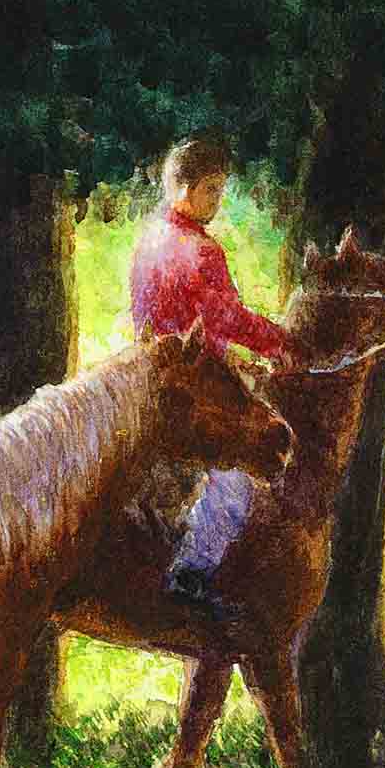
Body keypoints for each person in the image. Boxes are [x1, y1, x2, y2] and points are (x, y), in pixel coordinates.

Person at [126, 137, 296, 644]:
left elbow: (176, 319)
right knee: (237, 475)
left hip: (151, 372)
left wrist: (230, 354)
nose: (217, 201)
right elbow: (226, 318)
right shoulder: (202, 250)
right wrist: (278, 343)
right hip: (193, 384)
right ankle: (192, 572)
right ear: (183, 187)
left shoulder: (149, 238)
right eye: (211, 190)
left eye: (220, 190)